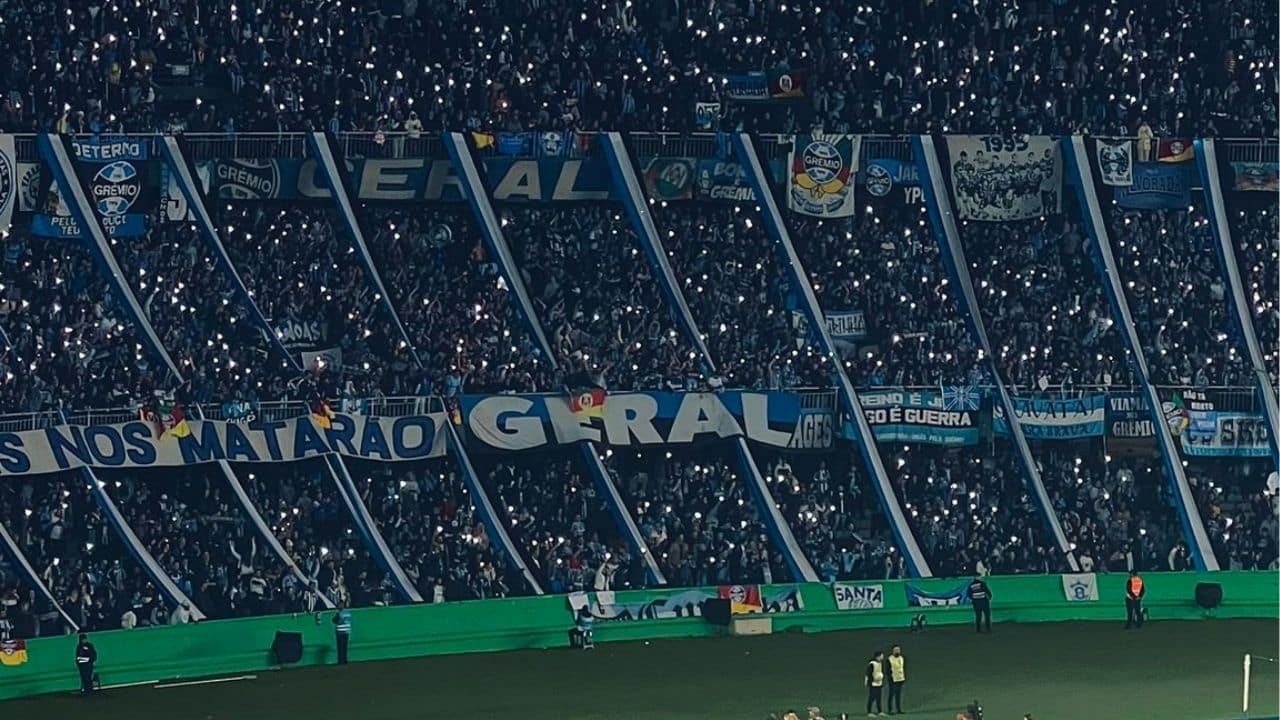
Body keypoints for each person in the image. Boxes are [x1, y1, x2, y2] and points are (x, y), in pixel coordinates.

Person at [865, 650, 886, 716]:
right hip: (873, 684)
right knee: (872, 698)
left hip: (879, 683)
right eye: (881, 656)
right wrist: (871, 681)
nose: (882, 657)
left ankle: (880, 711)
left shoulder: (880, 663)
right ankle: (869, 712)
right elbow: (868, 674)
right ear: (877, 657)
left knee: (878, 698)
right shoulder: (872, 664)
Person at [886, 645, 906, 714]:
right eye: (896, 650)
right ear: (893, 651)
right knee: (891, 695)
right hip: (893, 680)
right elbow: (888, 671)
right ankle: (890, 710)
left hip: (900, 679)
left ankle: (898, 709)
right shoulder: (889, 659)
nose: (897, 651)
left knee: (898, 695)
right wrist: (890, 679)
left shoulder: (901, 658)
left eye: (898, 650)